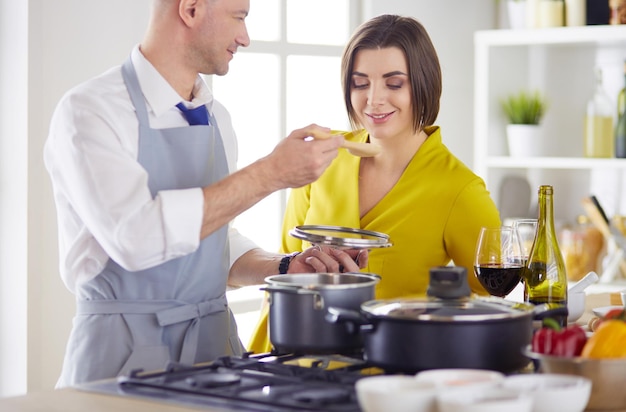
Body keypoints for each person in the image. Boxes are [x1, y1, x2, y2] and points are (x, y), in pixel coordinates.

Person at [44, 0, 362, 387]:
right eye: (239, 17)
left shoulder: (216, 117)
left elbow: (211, 237)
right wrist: (271, 174)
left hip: (215, 358)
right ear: (191, 10)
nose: (245, 37)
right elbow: (135, 237)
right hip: (120, 363)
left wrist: (282, 266)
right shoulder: (91, 111)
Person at [248, 14, 501, 353]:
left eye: (394, 84)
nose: (373, 99)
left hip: (386, 376)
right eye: (360, 83)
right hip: (286, 360)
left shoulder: (460, 190)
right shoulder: (321, 159)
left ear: (423, 84)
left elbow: (489, 308)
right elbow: (284, 265)